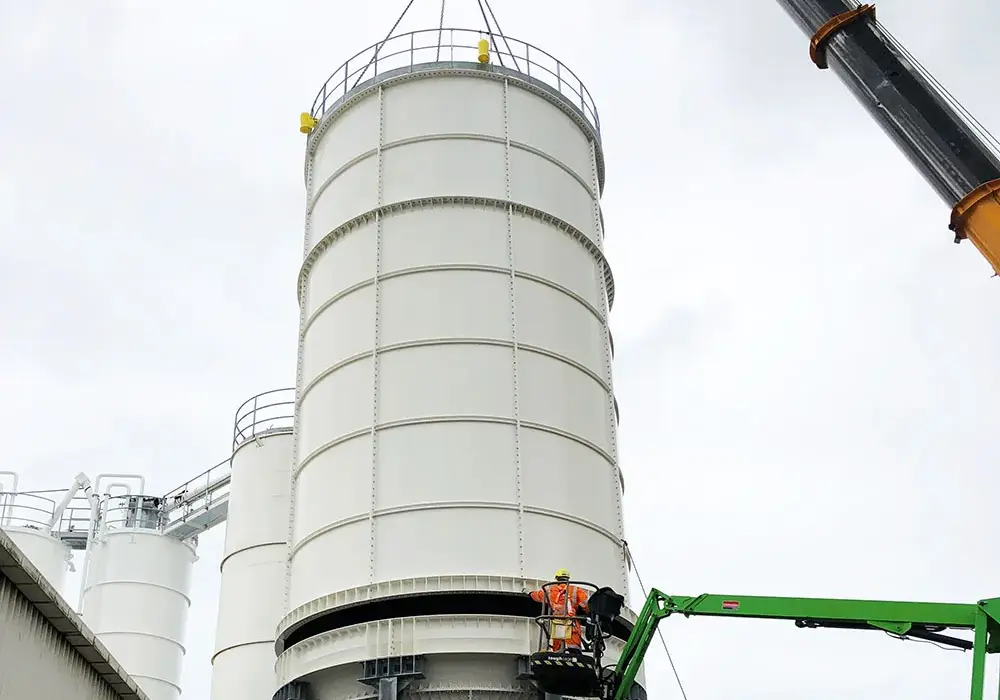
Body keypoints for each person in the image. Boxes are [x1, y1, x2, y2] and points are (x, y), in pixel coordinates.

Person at [529, 568, 590, 652]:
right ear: (568, 579)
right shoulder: (576, 590)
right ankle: (575, 655)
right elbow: (586, 604)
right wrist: (587, 612)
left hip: (557, 622)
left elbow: (538, 595)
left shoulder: (550, 590)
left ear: (557, 578)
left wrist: (530, 593)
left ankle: (557, 653)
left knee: (557, 645)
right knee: (574, 647)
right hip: (571, 621)